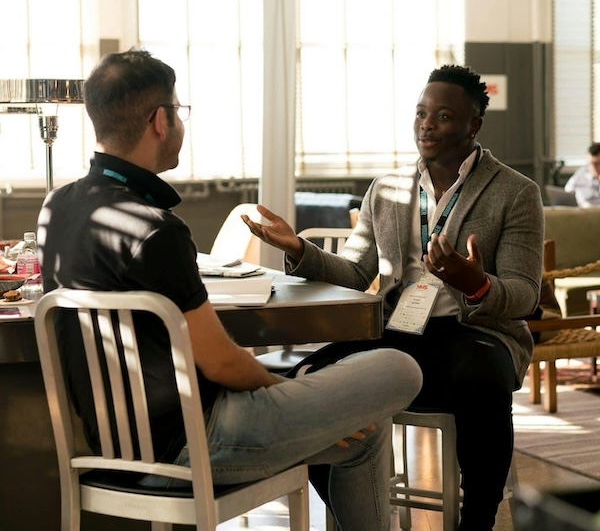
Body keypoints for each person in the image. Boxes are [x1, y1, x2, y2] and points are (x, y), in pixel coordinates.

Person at [36, 48, 423, 531]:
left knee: (364, 431)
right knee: (398, 366)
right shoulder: (158, 230)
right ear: (160, 120)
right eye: (179, 111)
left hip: (111, 451)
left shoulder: (57, 208)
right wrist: (288, 390)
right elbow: (219, 361)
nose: (180, 122)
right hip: (198, 445)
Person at [243, 64, 545, 531]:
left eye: (443, 115)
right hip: (399, 330)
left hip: (476, 333)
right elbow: (358, 272)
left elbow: (525, 295)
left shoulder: (515, 192)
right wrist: (300, 250)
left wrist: (475, 283)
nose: (426, 124)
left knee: (481, 378)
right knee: (314, 376)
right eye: (421, 113)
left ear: (474, 125)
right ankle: (353, 515)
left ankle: (478, 519)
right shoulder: (385, 189)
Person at [564, 142, 600, 207]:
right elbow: (567, 192)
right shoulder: (581, 173)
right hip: (582, 212)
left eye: (597, 163)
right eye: (591, 163)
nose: (594, 167)